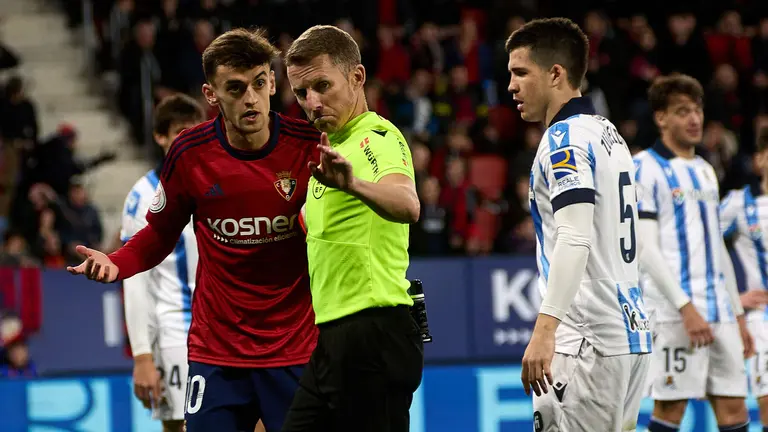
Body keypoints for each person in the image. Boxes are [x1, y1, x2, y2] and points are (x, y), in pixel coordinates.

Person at [67, 28, 320, 432]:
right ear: (211, 95)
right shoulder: (189, 153)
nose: (250, 98)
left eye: (259, 82)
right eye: (235, 88)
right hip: (217, 353)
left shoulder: (310, 148)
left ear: (273, 82)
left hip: (295, 350)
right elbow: (159, 233)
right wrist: (117, 263)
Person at [507, 18, 651, 431]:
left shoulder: (563, 141)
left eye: (521, 73)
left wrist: (544, 329)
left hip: (586, 338)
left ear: (556, 74)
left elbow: (574, 236)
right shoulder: (609, 134)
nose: (511, 87)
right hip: (630, 333)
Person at [281, 25, 423, 432]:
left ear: (357, 77)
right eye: (301, 93)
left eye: (322, 85)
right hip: (334, 336)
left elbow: (408, 204)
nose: (312, 102)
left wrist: (355, 185)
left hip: (373, 332)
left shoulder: (374, 139)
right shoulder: (332, 152)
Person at [634, 73, 752, 432]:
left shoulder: (705, 170)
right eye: (682, 111)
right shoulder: (644, 168)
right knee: (671, 411)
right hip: (674, 313)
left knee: (735, 412)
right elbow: (646, 247)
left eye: (697, 110)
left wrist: (738, 313)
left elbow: (717, 246)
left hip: (718, 310)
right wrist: (685, 307)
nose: (694, 119)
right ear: (661, 118)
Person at [121, 94, 204, 432]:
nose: (188, 140)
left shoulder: (216, 181)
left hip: (226, 326)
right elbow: (135, 278)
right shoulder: (143, 197)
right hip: (177, 333)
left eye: (195, 132)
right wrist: (142, 354)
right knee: (180, 427)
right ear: (160, 136)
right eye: (180, 132)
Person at [719, 128, 768, 430]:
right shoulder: (741, 203)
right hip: (762, 321)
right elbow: (700, 248)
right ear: (759, 159)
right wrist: (735, 301)